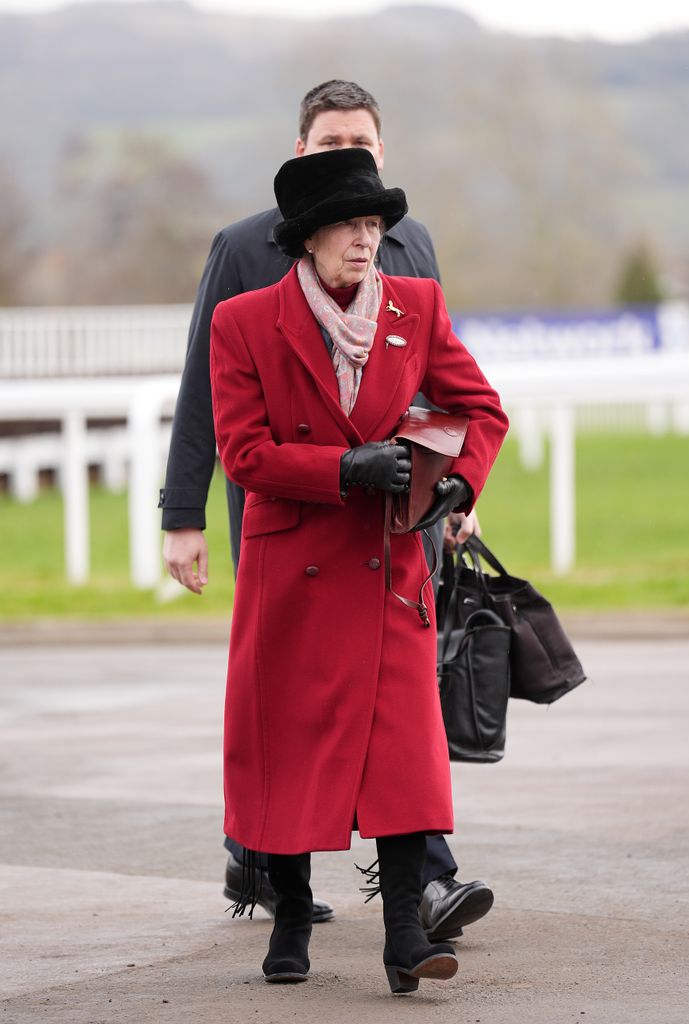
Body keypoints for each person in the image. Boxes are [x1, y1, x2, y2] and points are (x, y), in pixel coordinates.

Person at [160, 79, 492, 938]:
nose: (350, 150)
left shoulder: (408, 243)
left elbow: (438, 384)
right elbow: (204, 386)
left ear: (381, 151)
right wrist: (180, 511)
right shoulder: (240, 248)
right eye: (330, 138)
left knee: (398, 696)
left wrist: (454, 491)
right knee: (291, 695)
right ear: (298, 152)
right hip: (286, 507)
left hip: (391, 512)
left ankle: (420, 883)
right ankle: (262, 853)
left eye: (364, 139)